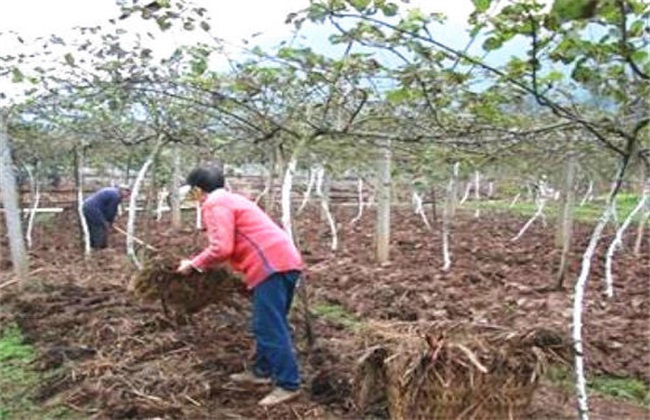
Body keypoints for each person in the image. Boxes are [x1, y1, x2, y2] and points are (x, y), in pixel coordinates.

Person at [176, 165, 303, 407]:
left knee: (267, 326)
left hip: (270, 265)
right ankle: (261, 371)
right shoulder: (231, 198)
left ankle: (288, 384)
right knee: (270, 322)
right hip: (283, 261)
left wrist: (193, 264)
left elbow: (222, 248)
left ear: (197, 190)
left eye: (191, 192)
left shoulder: (214, 203)